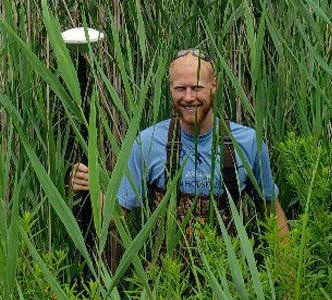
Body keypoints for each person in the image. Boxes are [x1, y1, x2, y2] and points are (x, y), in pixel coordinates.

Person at [70, 48, 290, 251]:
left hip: (230, 283)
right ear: (170, 89)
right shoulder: (148, 142)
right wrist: (93, 187)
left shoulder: (247, 142)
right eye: (180, 88)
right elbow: (116, 219)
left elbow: (271, 213)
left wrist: (289, 282)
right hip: (168, 283)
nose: (188, 97)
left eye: (196, 88)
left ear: (214, 87)